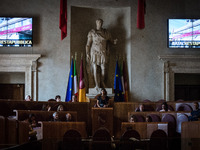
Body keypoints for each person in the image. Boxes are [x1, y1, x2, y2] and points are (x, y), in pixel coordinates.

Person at [86, 18, 118, 90]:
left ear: (102, 23)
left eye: (101, 22)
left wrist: (114, 42)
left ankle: (102, 82)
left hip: (103, 52)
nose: (99, 24)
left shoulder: (106, 33)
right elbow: (88, 44)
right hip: (94, 52)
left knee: (104, 68)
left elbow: (111, 40)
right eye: (98, 22)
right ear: (96, 23)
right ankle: (97, 85)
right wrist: (87, 53)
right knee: (95, 68)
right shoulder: (92, 32)